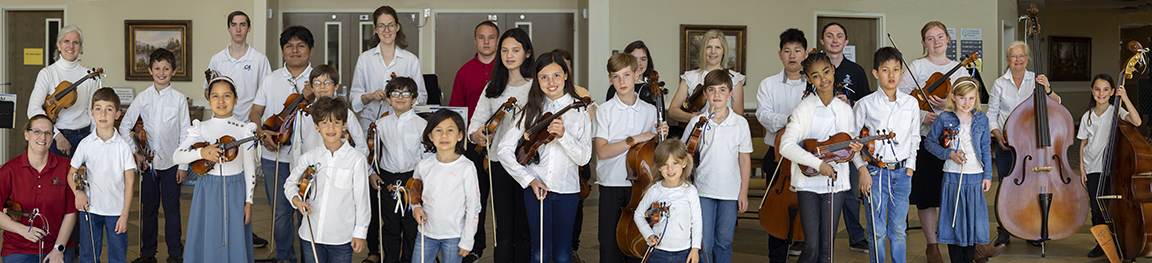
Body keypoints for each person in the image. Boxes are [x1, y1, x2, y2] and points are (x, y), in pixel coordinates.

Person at [496, 52, 592, 263]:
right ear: (537, 80)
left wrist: (564, 136)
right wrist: (528, 179)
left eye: (557, 75)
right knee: (539, 252)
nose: (551, 82)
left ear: (566, 76)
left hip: (567, 190)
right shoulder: (531, 110)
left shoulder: (579, 111)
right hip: (536, 190)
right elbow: (503, 149)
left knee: (563, 253)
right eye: (544, 77)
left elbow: (584, 158)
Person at [896, 21, 970, 262]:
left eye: (940, 36)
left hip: (954, 142)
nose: (936, 42)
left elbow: (971, 103)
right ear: (923, 43)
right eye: (930, 38)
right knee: (927, 195)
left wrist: (948, 105)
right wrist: (922, 114)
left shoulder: (959, 69)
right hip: (925, 139)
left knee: (955, 194)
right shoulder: (917, 67)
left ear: (948, 39)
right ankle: (932, 246)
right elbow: (900, 101)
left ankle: (962, 245)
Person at [779, 52, 862, 263]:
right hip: (808, 184)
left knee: (827, 249)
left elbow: (850, 147)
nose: (823, 79)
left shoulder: (844, 110)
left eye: (826, 72)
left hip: (836, 184)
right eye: (816, 75)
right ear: (808, 79)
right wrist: (819, 164)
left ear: (833, 71)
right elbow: (786, 146)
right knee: (812, 247)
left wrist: (861, 167)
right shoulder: (803, 109)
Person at [466, 27, 534, 263]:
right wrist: (477, 135)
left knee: (524, 229)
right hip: (498, 164)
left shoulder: (536, 87)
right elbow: (474, 124)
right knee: (503, 230)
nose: (509, 55)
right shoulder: (493, 88)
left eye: (515, 50)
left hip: (528, 164)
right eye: (504, 50)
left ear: (527, 53)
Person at [173, 76, 258, 262]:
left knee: (234, 237)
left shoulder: (245, 130)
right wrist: (201, 152)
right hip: (207, 189)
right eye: (215, 96)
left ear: (236, 99)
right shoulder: (200, 128)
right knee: (208, 235)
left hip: (236, 190)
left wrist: (249, 201)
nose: (221, 101)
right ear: (209, 99)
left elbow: (249, 167)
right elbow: (177, 156)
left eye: (227, 96)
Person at [248, 25, 314, 263]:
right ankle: (285, 257)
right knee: (280, 212)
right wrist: (262, 132)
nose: (295, 50)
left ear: (310, 49)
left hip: (310, 158)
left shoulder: (319, 80)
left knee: (310, 208)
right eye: (289, 46)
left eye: (301, 45)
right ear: (283, 51)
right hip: (274, 156)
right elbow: (255, 112)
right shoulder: (271, 78)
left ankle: (311, 257)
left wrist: (314, 95)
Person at [924, 77, 1007, 263]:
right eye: (962, 98)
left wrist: (987, 175)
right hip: (952, 178)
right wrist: (949, 154)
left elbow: (986, 147)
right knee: (954, 223)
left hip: (975, 177)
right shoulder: (944, 118)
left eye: (970, 98)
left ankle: (970, 258)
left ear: (976, 97)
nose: (966, 103)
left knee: (971, 225)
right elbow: (929, 143)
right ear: (953, 97)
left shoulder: (981, 119)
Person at [986, 41, 1060, 247]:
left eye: (1021, 56)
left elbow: (1056, 104)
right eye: (1013, 56)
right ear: (1008, 60)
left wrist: (1048, 88)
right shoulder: (1000, 83)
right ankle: (1003, 230)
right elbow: (991, 113)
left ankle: (1030, 229)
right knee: (1004, 187)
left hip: (1031, 146)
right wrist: (997, 134)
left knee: (1030, 187)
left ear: (1027, 59)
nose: (1017, 60)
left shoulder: (1037, 80)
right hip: (1006, 145)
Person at [852, 47, 921, 263]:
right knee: (877, 231)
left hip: (902, 173)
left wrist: (910, 167)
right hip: (874, 172)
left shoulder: (911, 103)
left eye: (896, 70)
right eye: (885, 70)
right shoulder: (865, 104)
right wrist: (862, 170)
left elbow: (915, 137)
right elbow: (854, 143)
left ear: (902, 73)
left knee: (899, 230)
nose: (891, 75)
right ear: (875, 73)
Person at [595, 53, 665, 263]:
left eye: (626, 75)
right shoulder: (604, 111)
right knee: (609, 246)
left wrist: (662, 136)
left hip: (642, 187)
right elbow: (602, 151)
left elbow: (657, 152)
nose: (622, 81)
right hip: (611, 184)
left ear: (636, 74)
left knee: (637, 246)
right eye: (616, 76)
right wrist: (635, 139)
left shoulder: (651, 111)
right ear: (610, 79)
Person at [122, 48, 189, 263]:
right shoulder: (142, 98)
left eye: (166, 68)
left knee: (172, 210)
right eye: (157, 68)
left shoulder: (179, 100)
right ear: (150, 70)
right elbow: (124, 127)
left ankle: (175, 254)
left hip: (172, 164)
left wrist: (183, 166)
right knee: (148, 210)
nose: (162, 72)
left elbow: (186, 134)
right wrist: (136, 154)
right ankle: (148, 254)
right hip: (148, 165)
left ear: (174, 71)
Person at [679, 69, 753, 263]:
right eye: (712, 90)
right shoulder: (697, 122)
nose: (717, 95)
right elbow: (685, 155)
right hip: (703, 191)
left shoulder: (740, 124)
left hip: (730, 192)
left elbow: (744, 160)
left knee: (724, 242)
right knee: (704, 243)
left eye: (722, 90)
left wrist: (743, 192)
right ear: (705, 94)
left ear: (730, 94)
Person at [285, 97, 370, 263]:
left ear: (344, 125)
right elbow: (289, 184)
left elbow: (362, 202)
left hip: (341, 237)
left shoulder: (356, 160)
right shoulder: (309, 157)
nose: (330, 128)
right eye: (324, 123)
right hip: (310, 234)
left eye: (336, 122)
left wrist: (360, 233)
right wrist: (296, 200)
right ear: (317, 127)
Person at [754, 28, 810, 261]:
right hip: (777, 156)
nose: (792, 55)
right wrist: (787, 119)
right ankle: (776, 257)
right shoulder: (768, 84)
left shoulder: (814, 83)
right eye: (787, 51)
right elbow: (763, 115)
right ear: (780, 54)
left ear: (806, 53)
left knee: (809, 210)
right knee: (776, 209)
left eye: (797, 50)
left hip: (807, 154)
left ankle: (807, 252)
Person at [448, 20, 498, 263]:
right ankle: (475, 245)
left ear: (497, 41)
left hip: (503, 147)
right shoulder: (464, 71)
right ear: (475, 40)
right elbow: (457, 113)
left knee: (502, 199)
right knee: (475, 197)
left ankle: (505, 245)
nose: (486, 42)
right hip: (473, 146)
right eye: (481, 37)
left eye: (491, 37)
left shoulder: (507, 70)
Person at [68, 88, 136, 263]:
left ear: (118, 114)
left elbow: (129, 184)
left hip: (116, 212)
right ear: (91, 112)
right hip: (90, 210)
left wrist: (125, 215)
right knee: (88, 256)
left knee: (118, 257)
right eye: (98, 108)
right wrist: (78, 192)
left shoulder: (123, 147)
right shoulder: (85, 144)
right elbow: (71, 173)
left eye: (109, 109)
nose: (103, 114)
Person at [1078, 74, 1142, 258]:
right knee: (1096, 208)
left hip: (1112, 169)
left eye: (1106, 89)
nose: (1101, 93)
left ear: (1112, 92)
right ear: (1092, 91)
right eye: (1097, 89)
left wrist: (1125, 98)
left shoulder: (1117, 112)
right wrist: (1082, 167)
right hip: (1092, 167)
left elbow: (1137, 121)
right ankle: (1101, 244)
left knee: (1113, 207)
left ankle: (1119, 244)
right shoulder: (1087, 116)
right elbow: (1083, 143)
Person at [0, 115, 78, 263]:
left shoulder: (66, 167)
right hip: (18, 248)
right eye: (37, 131)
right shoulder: (8, 170)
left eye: (48, 133)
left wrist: (58, 248)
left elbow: (71, 211)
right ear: (26, 134)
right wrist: (22, 230)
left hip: (57, 246)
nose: (43, 137)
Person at [820, 23, 870, 253]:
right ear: (822, 41)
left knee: (849, 190)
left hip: (848, 137)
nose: (834, 40)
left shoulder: (856, 70)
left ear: (846, 41)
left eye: (839, 36)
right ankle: (816, 236)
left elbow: (867, 103)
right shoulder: (815, 68)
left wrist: (850, 104)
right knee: (817, 188)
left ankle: (856, 236)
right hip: (820, 138)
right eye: (829, 36)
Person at [411, 109, 482, 263]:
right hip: (426, 233)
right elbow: (414, 192)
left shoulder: (467, 167)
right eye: (438, 130)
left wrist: (467, 240)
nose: (444, 135)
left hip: (454, 236)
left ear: (460, 135)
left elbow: (474, 206)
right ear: (430, 136)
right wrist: (415, 207)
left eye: (450, 130)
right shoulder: (423, 165)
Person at [351, 5, 428, 133]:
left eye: (391, 25)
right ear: (375, 29)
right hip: (370, 125)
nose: (386, 30)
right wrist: (370, 96)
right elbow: (354, 100)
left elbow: (421, 98)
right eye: (381, 26)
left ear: (397, 27)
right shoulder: (364, 59)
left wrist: (401, 98)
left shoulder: (411, 60)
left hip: (403, 126)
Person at [28, 25, 100, 158]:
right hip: (55, 139)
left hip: (84, 138)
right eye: (66, 41)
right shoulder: (47, 73)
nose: (71, 46)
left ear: (80, 47)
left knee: (83, 178)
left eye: (76, 42)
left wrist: (94, 140)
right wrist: (57, 135)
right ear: (59, 45)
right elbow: (33, 109)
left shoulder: (89, 75)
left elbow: (93, 112)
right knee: (56, 179)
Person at [632, 140, 702, 263]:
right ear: (659, 167)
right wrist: (649, 235)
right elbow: (638, 214)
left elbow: (696, 221)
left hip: (684, 252)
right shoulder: (655, 190)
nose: (670, 169)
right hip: (657, 251)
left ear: (684, 164)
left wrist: (695, 249)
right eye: (665, 164)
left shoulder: (690, 191)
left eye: (675, 163)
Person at [205, 11, 272, 125]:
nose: (238, 30)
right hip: (221, 123)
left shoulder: (260, 59)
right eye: (234, 25)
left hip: (249, 125)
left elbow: (267, 95)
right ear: (228, 29)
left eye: (242, 25)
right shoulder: (216, 59)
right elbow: (207, 92)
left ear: (249, 28)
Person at [669, 29, 747, 124]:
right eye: (708, 47)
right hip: (697, 133)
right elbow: (672, 111)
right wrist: (694, 117)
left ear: (723, 51)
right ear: (703, 50)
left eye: (718, 47)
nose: (713, 52)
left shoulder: (734, 78)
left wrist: (715, 120)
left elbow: (738, 114)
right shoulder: (690, 77)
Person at [606, 40, 659, 107]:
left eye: (643, 59)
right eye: (634, 59)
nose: (639, 63)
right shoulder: (616, 87)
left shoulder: (654, 89)